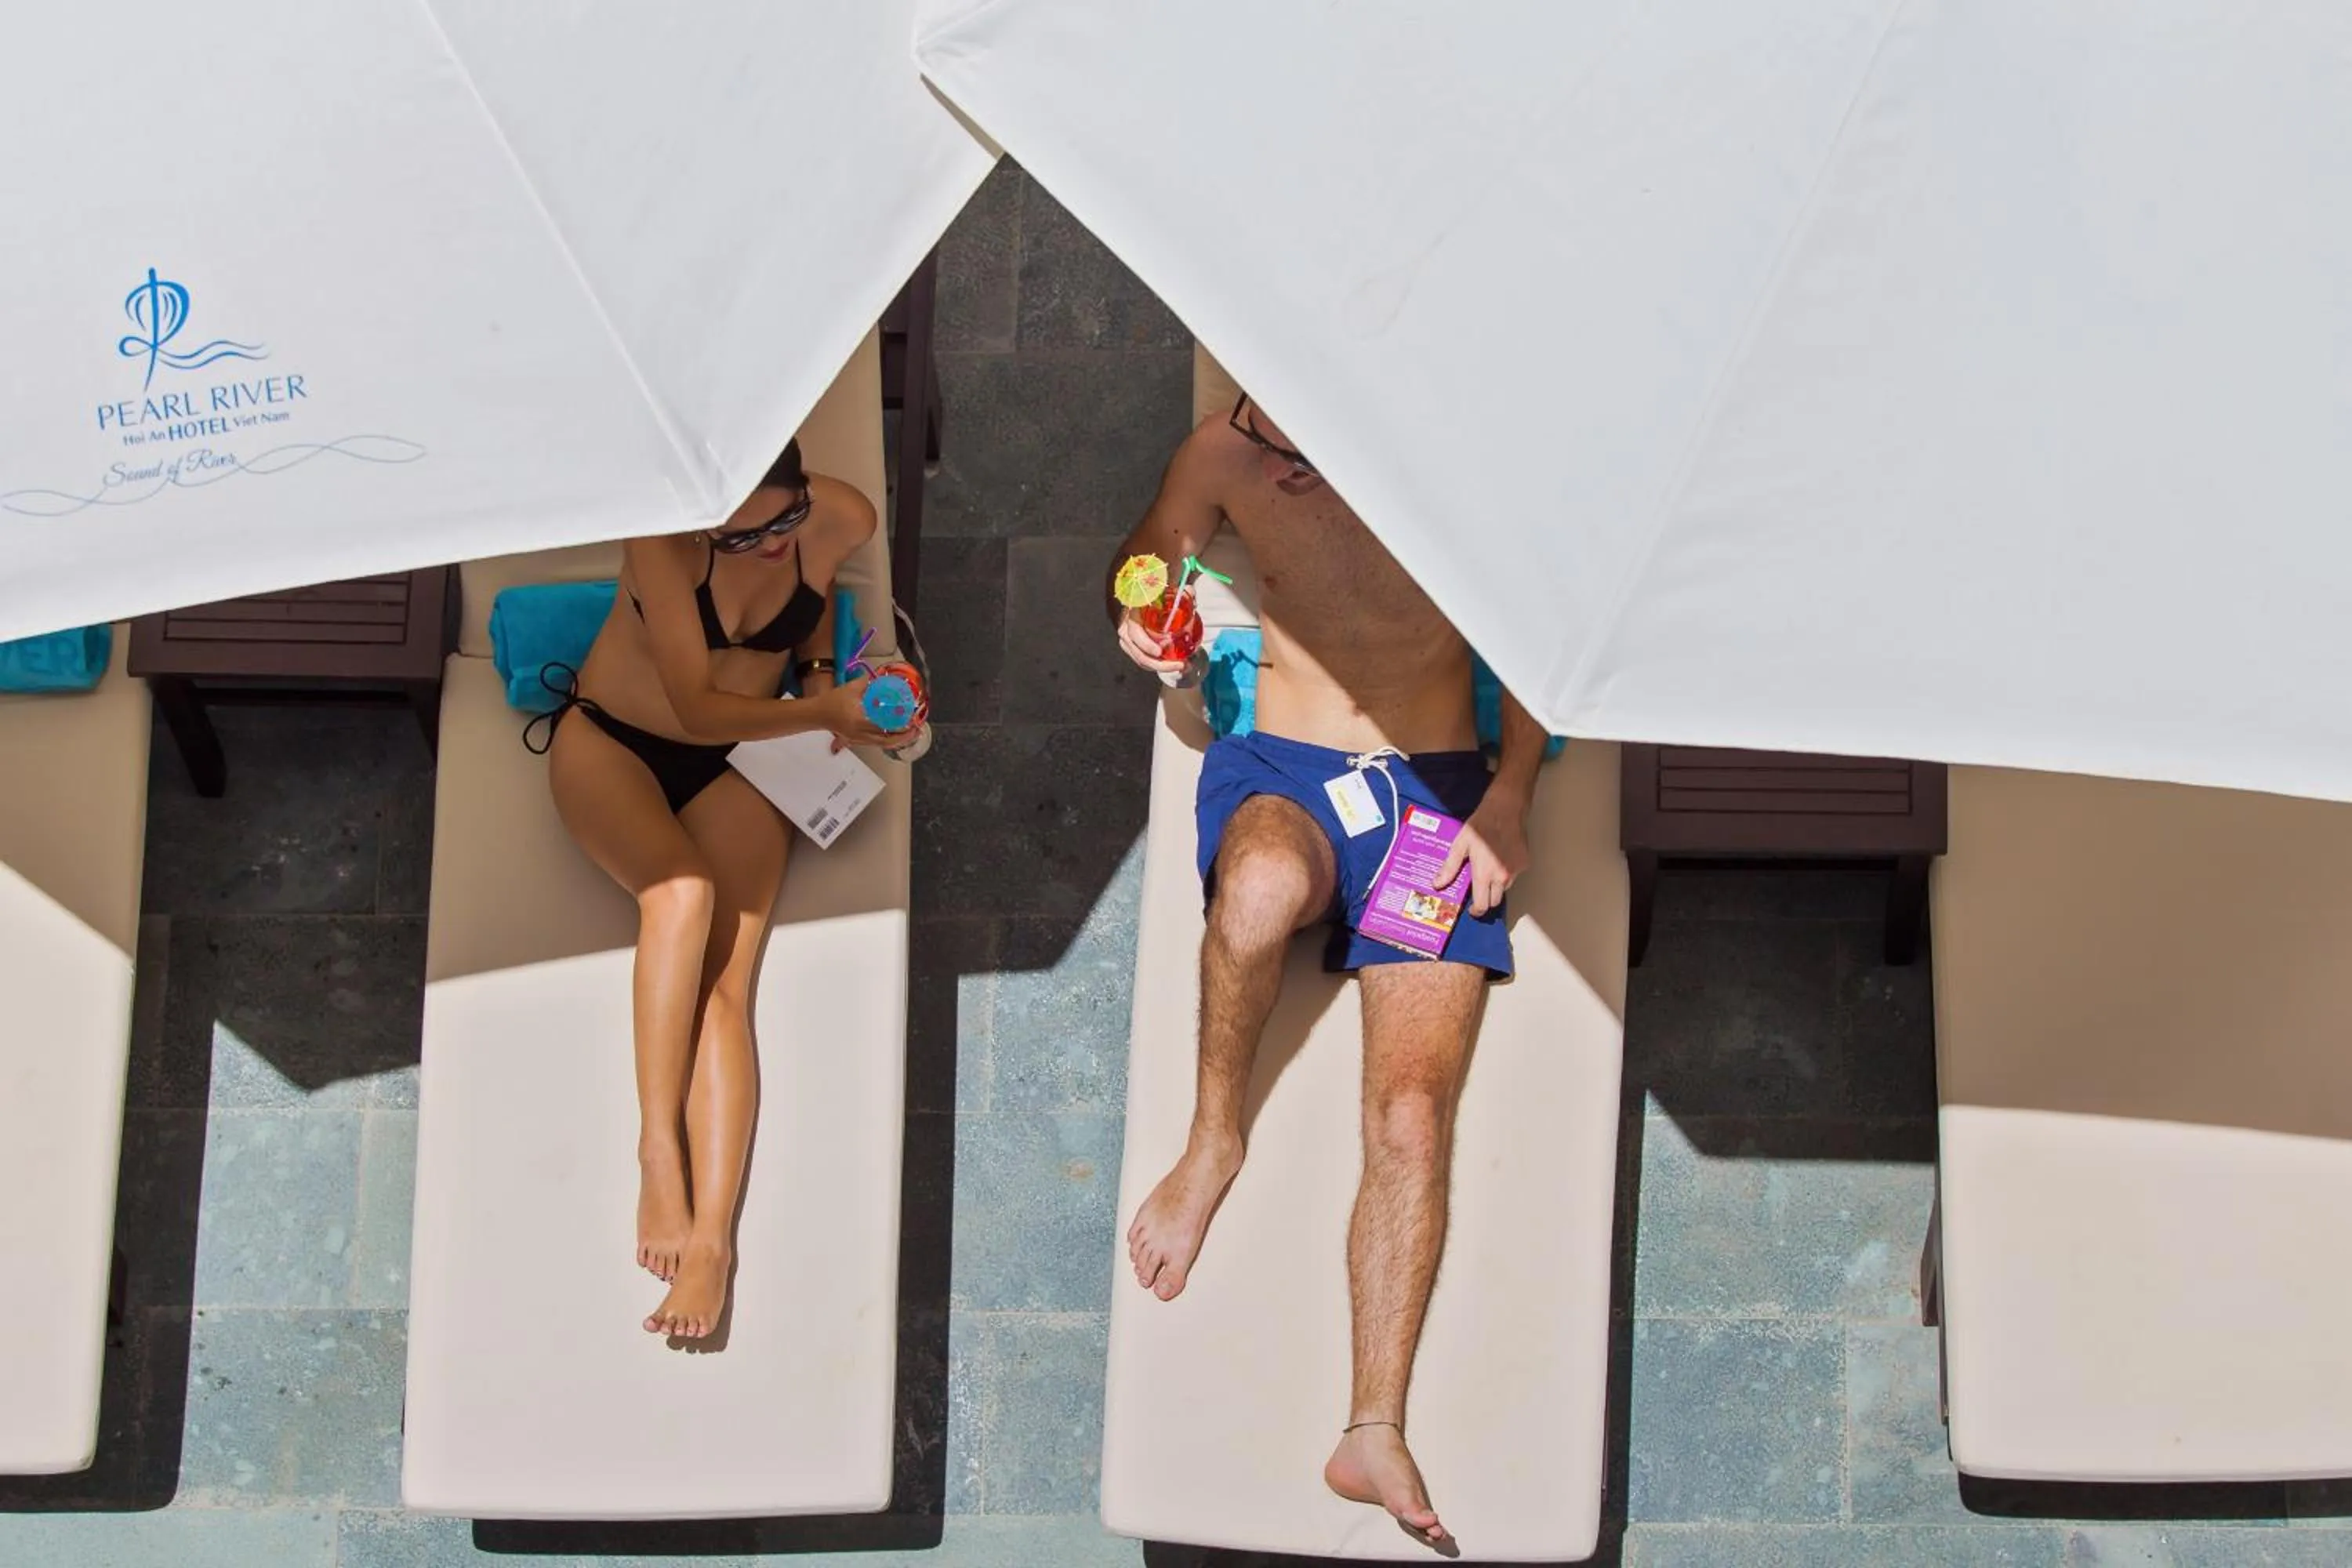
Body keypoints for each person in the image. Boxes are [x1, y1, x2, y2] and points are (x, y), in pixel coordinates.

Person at [1109, 393, 1547, 1548]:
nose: (1279, 465)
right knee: (1254, 896)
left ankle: (1373, 1427)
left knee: (1411, 1115)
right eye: (1267, 436)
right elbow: (1150, 552)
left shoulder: (1468, 458)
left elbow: (1553, 638)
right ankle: (1214, 1140)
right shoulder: (1226, 450)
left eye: (1302, 444)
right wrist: (1145, 605)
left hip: (1435, 785)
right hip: (1286, 767)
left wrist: (1508, 798)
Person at [530, 438, 896, 1340]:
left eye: (785, 520)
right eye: (741, 539)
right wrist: (825, 713)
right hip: (615, 740)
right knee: (681, 895)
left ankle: (714, 1245)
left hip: (740, 759)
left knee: (729, 988)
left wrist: (817, 675)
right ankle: (659, 1147)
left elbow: (813, 604)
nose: (771, 546)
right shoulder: (661, 542)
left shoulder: (841, 515)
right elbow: (693, 704)